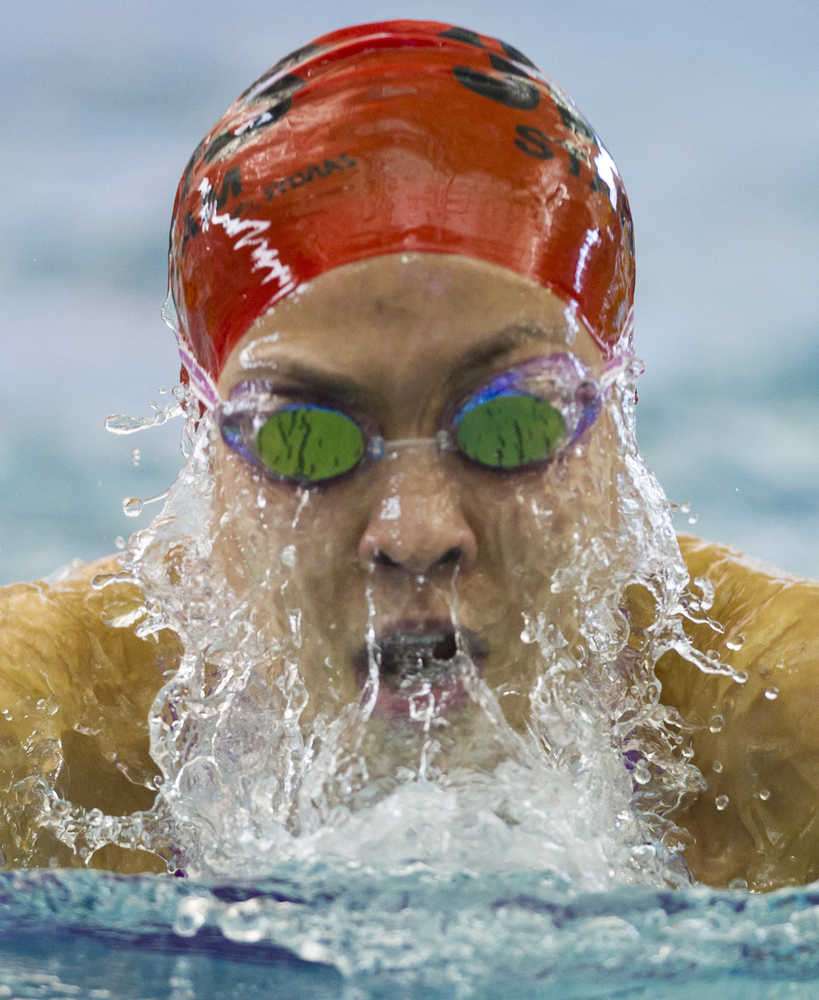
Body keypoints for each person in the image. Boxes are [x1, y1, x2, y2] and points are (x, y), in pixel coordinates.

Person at [0, 20, 816, 888]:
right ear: (206, 450)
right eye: (305, 436)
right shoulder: (36, 752)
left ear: (615, 432)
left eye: (512, 424)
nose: (415, 532)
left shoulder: (784, 730)